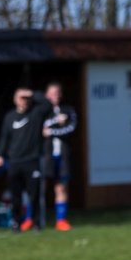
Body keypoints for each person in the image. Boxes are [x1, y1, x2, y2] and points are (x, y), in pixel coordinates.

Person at [0, 87, 53, 232]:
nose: (24, 101)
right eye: (21, 98)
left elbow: (47, 104)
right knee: (15, 196)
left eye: (26, 99)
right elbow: (4, 138)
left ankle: (36, 223)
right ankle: (16, 222)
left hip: (32, 160)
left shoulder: (35, 113)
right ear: (15, 100)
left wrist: (31, 93)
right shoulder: (9, 117)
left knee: (34, 195)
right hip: (14, 161)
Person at [41, 82, 77, 231]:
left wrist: (52, 130)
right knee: (39, 188)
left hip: (62, 156)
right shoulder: (41, 112)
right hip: (46, 156)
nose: (54, 96)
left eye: (57, 93)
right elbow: (39, 130)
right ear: (46, 95)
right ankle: (32, 218)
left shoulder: (68, 110)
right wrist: (56, 123)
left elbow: (71, 128)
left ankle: (61, 220)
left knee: (61, 188)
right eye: (51, 93)